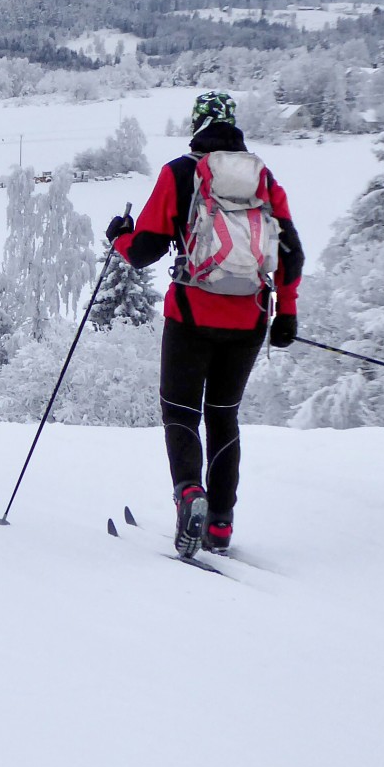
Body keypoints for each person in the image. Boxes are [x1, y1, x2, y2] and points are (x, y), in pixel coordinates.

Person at [104, 91, 303, 557]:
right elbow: (290, 252)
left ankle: (190, 494)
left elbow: (143, 251)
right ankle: (220, 526)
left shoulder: (179, 173)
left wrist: (118, 237)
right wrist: (287, 312)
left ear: (197, 125)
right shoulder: (263, 179)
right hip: (250, 317)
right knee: (223, 416)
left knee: (180, 412)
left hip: (190, 314)